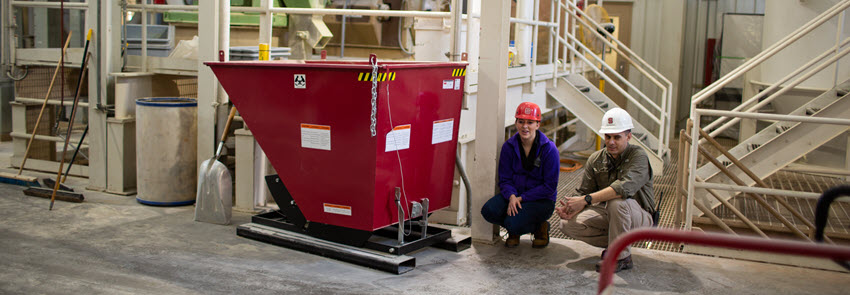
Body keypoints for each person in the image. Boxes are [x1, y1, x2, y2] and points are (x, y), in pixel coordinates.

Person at [556, 107, 656, 273]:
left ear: (629, 136)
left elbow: (621, 188)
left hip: (639, 218)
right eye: (608, 136)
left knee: (616, 202)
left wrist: (586, 200)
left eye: (617, 137)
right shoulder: (596, 159)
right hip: (612, 215)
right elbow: (583, 193)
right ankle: (615, 243)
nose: (611, 142)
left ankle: (621, 256)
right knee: (567, 224)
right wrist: (571, 208)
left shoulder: (638, 156)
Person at [481, 102, 559, 248]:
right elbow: (505, 179)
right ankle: (516, 225)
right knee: (488, 211)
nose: (525, 126)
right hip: (515, 195)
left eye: (530, 122)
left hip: (541, 200)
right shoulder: (509, 147)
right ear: (516, 122)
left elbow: (549, 186)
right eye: (521, 121)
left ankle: (539, 227)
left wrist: (522, 198)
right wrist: (511, 196)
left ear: (538, 125)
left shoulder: (549, 149)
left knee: (513, 222)